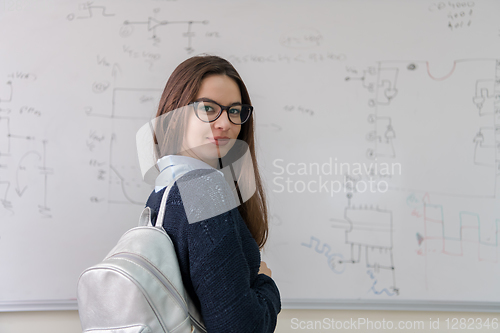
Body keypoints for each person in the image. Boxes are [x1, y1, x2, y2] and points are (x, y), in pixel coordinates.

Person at [144, 55, 281, 332]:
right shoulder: (203, 192)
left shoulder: (162, 190)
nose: (224, 123)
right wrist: (266, 284)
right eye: (208, 108)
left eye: (234, 111)